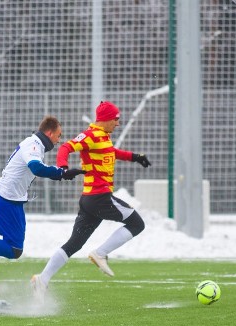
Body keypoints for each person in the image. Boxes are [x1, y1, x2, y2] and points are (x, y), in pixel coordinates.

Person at [30, 101, 151, 301]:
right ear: (105, 119)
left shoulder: (103, 137)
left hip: (90, 200)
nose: (118, 123)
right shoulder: (91, 135)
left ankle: (42, 279)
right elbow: (66, 147)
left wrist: (134, 157)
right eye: (116, 119)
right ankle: (100, 253)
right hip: (100, 197)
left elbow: (112, 153)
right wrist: (63, 168)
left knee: (74, 244)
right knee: (137, 223)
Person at [0, 116, 84, 259]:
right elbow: (37, 168)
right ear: (50, 133)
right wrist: (62, 173)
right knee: (14, 249)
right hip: (7, 199)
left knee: (8, 231)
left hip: (8, 199)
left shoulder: (34, 143)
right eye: (58, 135)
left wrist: (62, 173)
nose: (58, 140)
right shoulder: (34, 144)